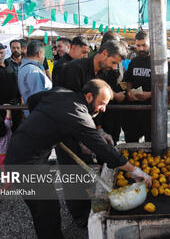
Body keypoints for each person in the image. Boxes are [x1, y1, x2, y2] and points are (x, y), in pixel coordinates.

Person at [5, 79, 151, 239]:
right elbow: (102, 150)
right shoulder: (79, 113)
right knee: (46, 209)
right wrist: (133, 170)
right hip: (25, 162)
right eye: (102, 103)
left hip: (27, 152)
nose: (103, 109)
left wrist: (48, 126)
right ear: (89, 96)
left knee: (47, 206)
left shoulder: (61, 92)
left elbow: (33, 101)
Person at [52, 39, 127, 225]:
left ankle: (87, 209)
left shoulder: (102, 73)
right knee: (72, 172)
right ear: (103, 54)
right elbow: (68, 107)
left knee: (85, 170)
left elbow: (98, 106)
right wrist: (83, 138)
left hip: (86, 129)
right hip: (66, 130)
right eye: (113, 62)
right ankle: (78, 216)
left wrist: (99, 130)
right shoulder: (74, 69)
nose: (114, 67)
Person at [123, 31, 170, 142]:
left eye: (144, 45)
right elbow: (127, 81)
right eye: (138, 45)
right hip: (134, 113)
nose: (141, 49)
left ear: (151, 44)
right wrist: (129, 92)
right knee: (131, 143)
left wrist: (150, 94)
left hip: (154, 112)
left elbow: (169, 87)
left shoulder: (162, 63)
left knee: (152, 145)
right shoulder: (134, 62)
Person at [17, 40, 52, 115]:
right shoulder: (32, 70)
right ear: (39, 54)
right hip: (39, 114)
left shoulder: (25, 68)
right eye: (44, 54)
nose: (43, 57)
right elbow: (39, 97)